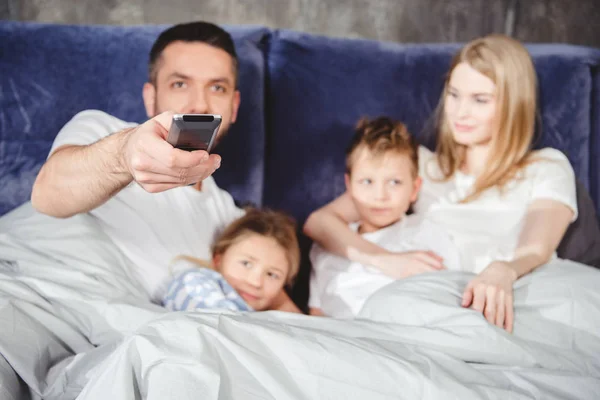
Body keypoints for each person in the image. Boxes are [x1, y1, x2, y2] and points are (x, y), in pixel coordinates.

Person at [304, 34, 577, 332]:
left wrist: (503, 270)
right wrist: (387, 261)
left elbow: (535, 250)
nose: (460, 112)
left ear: (513, 105)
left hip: (513, 296)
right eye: (454, 94)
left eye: (479, 100)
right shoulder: (423, 166)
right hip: (435, 305)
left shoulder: (546, 167)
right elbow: (320, 222)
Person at [30, 22, 258, 305]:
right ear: (151, 98)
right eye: (180, 84)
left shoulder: (227, 217)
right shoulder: (101, 132)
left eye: (217, 87)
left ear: (234, 106)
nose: (199, 105)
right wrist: (123, 155)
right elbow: (46, 196)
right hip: (30, 294)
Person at [308, 116, 460, 318]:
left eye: (395, 182)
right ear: (349, 185)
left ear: (414, 189)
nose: (380, 196)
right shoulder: (328, 245)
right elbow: (316, 315)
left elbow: (450, 299)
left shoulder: (428, 233)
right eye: (367, 181)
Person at [163, 208, 301, 313]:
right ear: (218, 259)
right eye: (246, 263)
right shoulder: (193, 282)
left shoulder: (263, 316)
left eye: (272, 274)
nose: (255, 282)